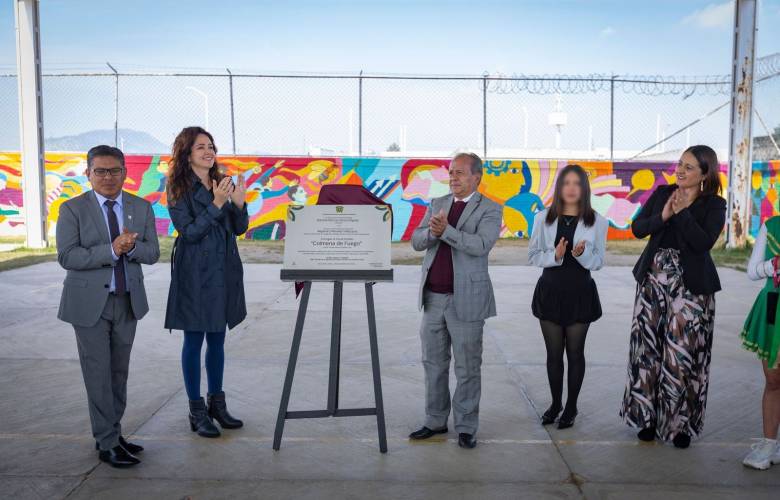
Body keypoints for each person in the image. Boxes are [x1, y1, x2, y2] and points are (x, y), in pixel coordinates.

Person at [56, 145, 160, 467]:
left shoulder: (141, 207)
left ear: (125, 173)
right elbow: (67, 256)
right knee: (98, 374)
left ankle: (113, 433)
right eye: (100, 171)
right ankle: (106, 442)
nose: (108, 177)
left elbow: (153, 253)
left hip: (127, 301)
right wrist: (112, 250)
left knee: (118, 374)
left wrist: (132, 248)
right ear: (88, 174)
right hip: (90, 306)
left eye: (114, 170)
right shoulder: (72, 209)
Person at [620, 145, 726, 449]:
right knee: (647, 351)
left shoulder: (714, 205)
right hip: (653, 282)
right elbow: (638, 228)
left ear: (705, 174)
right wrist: (664, 214)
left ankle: (680, 426)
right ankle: (647, 420)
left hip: (691, 289)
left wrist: (681, 215)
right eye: (680, 164)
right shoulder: (662, 193)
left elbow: (702, 243)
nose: (680, 170)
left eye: (689, 167)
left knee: (681, 355)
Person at [408, 152, 502, 449]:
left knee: (467, 368)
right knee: (433, 364)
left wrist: (446, 231)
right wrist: (433, 233)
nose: (453, 177)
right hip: (433, 298)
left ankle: (466, 427)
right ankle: (435, 420)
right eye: (451, 172)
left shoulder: (490, 209)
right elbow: (416, 241)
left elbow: (481, 245)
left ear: (476, 177)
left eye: (459, 172)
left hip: (467, 300)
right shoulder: (437, 203)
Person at [164, 127, 248, 438]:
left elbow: (239, 228)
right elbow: (189, 232)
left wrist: (238, 204)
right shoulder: (177, 187)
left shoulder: (223, 182)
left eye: (211, 146)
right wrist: (217, 203)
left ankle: (217, 405)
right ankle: (196, 410)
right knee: (194, 341)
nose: (208, 151)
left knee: (217, 340)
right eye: (200, 146)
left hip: (223, 271)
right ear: (187, 153)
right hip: (195, 273)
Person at [528, 164, 608, 429]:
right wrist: (556, 255)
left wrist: (581, 254)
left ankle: (571, 406)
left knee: (575, 353)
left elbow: (598, 262)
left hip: (580, 294)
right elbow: (533, 256)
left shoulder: (597, 221)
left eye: (576, 183)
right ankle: (555, 404)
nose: (571, 188)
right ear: (559, 187)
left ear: (584, 188)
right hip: (550, 292)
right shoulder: (543, 218)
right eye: (566, 183)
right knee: (553, 355)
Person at [739, 216, 780, 469]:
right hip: (774, 308)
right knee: (774, 380)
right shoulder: (772, 226)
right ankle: (769, 445)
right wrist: (773, 265)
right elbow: (752, 271)